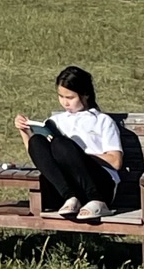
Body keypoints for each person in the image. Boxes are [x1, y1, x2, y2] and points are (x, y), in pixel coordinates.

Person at [14, 65, 122, 223]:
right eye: (61, 97)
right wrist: (24, 131)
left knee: (61, 145)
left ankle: (96, 200)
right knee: (37, 141)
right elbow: (42, 160)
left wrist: (78, 155)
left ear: (85, 95)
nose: (65, 102)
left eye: (70, 98)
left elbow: (116, 161)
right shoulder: (55, 121)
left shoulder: (102, 121)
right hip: (68, 187)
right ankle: (70, 197)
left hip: (99, 184)